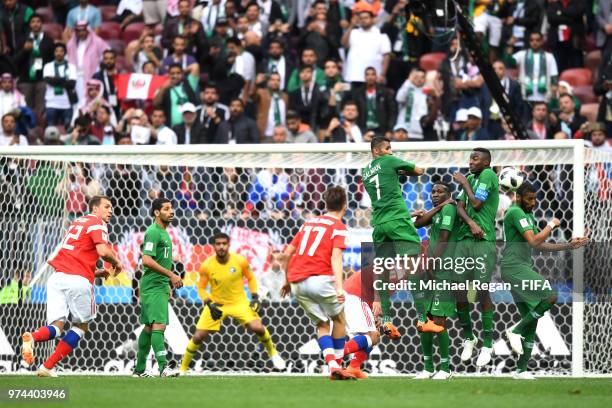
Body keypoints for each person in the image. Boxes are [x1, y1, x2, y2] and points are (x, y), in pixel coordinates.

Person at [21, 196, 123, 377]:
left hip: (57, 277)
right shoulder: (97, 222)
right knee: (81, 326)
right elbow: (102, 251)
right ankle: (48, 365)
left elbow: (77, 256)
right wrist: (117, 263)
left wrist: (95, 272)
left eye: (111, 207)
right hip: (77, 281)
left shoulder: (78, 222)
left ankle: (32, 337)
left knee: (57, 327)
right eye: (107, 207)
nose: (110, 210)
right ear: (95, 209)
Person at [502, 182, 589, 379]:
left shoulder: (527, 215)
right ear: (518, 197)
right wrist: (551, 224)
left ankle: (521, 371)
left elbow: (539, 245)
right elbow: (534, 241)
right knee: (550, 296)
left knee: (531, 320)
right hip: (515, 268)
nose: (533, 202)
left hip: (520, 267)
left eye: (534, 198)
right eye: (529, 198)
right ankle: (514, 331)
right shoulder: (515, 213)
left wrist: (569, 245)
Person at [179, 232, 286, 374]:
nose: (221, 247)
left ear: (229, 245)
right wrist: (209, 303)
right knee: (198, 336)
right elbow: (201, 288)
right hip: (217, 304)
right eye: (218, 244)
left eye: (224, 244)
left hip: (239, 302)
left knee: (258, 327)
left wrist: (254, 297)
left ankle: (273, 354)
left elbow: (251, 278)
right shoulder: (207, 265)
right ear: (213, 246)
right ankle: (183, 368)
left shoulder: (240, 261)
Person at [280, 186, 355, 380]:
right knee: (339, 319)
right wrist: (339, 286)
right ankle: (338, 365)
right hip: (320, 279)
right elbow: (336, 257)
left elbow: (287, 253)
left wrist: (287, 281)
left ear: (326, 204)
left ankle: (331, 365)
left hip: (297, 282)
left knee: (322, 324)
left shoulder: (308, 224)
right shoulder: (338, 227)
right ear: (344, 206)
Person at [361, 137, 425, 338]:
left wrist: (409, 214)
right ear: (377, 151)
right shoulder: (389, 161)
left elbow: (385, 192)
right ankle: (423, 318)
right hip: (397, 220)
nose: (390, 151)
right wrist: (403, 169)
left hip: (380, 223)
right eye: (388, 148)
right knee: (413, 263)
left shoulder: (365, 172)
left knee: (384, 269)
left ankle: (387, 321)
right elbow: (419, 171)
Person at [452, 148, 499, 368]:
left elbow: (477, 204)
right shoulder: (470, 178)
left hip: (483, 241)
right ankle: (469, 337)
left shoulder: (488, 176)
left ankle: (487, 343)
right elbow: (460, 206)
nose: (470, 161)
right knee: (458, 290)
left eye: (475, 158)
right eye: (470, 157)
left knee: (481, 290)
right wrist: (470, 223)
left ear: (487, 163)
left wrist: (464, 184)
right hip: (464, 240)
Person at [412, 182, 459, 380]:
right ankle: (428, 367)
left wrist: (433, 262)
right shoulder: (441, 209)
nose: (435, 194)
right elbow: (417, 224)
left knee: (439, 320)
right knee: (426, 319)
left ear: (449, 195)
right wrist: (437, 207)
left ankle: (445, 369)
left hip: (444, 270)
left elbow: (445, 237)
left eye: (440, 192)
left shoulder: (449, 208)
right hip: (432, 270)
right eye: (433, 192)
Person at [133, 197, 184, 377]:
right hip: (153, 286)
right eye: (166, 209)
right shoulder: (153, 232)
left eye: (172, 208)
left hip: (158, 285)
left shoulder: (164, 232)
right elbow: (146, 260)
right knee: (159, 326)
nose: (171, 211)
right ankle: (163, 367)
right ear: (156, 212)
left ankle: (139, 369)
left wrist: (166, 283)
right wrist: (171, 275)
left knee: (148, 327)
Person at [14, 13, 55, 120]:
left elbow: (52, 62)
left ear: (42, 24)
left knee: (40, 110)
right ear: (30, 25)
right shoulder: (22, 40)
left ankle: (40, 130)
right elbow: (15, 60)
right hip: (25, 80)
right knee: (26, 110)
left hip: (42, 80)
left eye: (38, 21)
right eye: (33, 22)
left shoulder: (48, 41)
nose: (36, 24)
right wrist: (25, 51)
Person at [342, 8, 391, 85]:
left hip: (374, 76)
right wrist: (351, 25)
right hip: (354, 75)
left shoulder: (381, 34)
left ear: (372, 19)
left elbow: (386, 57)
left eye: (366, 18)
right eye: (361, 18)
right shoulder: (353, 32)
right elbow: (344, 43)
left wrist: (382, 74)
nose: (363, 20)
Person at [346, 67, 397, 137]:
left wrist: (389, 130)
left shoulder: (385, 93)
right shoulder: (357, 93)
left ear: (376, 77)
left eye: (373, 74)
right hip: (363, 129)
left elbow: (392, 112)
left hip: (381, 130)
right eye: (368, 75)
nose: (370, 77)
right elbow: (355, 111)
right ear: (364, 77)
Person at [66, 21, 109, 102]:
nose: (81, 33)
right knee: (78, 97)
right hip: (77, 75)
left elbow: (107, 53)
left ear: (87, 30)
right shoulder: (71, 44)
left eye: (83, 30)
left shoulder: (97, 42)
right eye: (79, 31)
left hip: (92, 75)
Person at [513, 31, 559, 103]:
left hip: (544, 93)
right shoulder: (522, 54)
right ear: (529, 42)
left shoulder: (549, 56)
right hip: (526, 92)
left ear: (541, 41)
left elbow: (554, 75)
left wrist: (554, 86)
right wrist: (509, 46)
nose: (534, 42)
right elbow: (510, 62)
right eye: (532, 40)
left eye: (537, 40)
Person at [152, 63, 199, 127]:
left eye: (178, 73)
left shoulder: (189, 84)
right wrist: (163, 88)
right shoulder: (164, 87)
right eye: (172, 73)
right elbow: (155, 103)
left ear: (182, 74)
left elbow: (195, 66)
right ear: (168, 75)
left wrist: (183, 71)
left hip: (189, 127)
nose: (175, 76)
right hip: (170, 126)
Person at [44, 43, 77, 129]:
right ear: (54, 53)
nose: (59, 53)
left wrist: (55, 79)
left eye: (61, 51)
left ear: (65, 53)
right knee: (51, 128)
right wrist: (64, 79)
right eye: (56, 51)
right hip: (51, 103)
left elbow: (72, 84)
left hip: (67, 103)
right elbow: (48, 81)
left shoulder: (71, 67)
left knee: (67, 128)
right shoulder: (48, 66)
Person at [253, 72, 288, 140]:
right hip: (266, 133)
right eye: (273, 80)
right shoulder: (261, 92)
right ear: (268, 81)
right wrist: (256, 84)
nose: (275, 82)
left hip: (282, 134)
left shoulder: (285, 96)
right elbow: (253, 96)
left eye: (278, 80)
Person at [395, 68, 427, 140]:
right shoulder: (407, 88)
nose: (419, 79)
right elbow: (399, 98)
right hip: (405, 133)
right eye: (416, 77)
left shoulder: (427, 92)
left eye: (422, 77)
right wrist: (409, 80)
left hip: (421, 133)